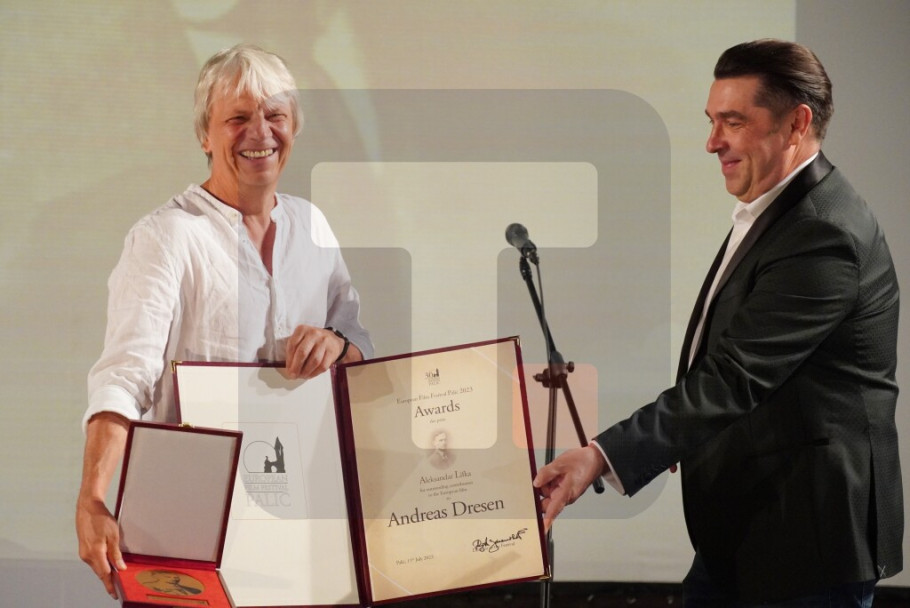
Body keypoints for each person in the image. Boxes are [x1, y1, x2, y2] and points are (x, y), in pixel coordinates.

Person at [533, 39, 902, 605]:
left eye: (733, 122)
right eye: (711, 121)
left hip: (806, 546)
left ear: (797, 123)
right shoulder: (781, 209)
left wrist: (602, 456)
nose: (712, 142)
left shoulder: (823, 233)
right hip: (753, 529)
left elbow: (733, 377)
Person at [75, 44, 373, 599]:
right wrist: (92, 497)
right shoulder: (166, 236)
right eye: (237, 118)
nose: (259, 132)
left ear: (294, 126)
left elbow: (358, 343)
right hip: (185, 526)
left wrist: (336, 342)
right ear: (205, 136)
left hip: (299, 525)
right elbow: (125, 377)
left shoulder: (313, 225)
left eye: (275, 114)